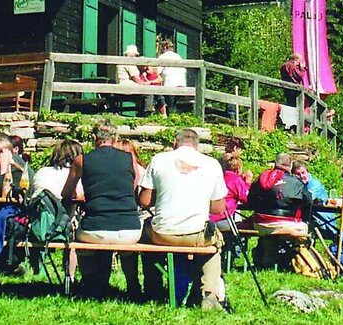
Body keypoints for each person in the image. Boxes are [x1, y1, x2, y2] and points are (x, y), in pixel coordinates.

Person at [137, 128, 227, 310]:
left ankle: (153, 288)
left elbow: (144, 200)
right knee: (216, 243)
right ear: (197, 146)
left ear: (174, 142)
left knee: (145, 234)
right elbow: (219, 208)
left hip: (162, 234)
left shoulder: (159, 159)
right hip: (196, 235)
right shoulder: (212, 164)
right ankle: (208, 294)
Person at [61, 123, 141, 298]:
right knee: (126, 245)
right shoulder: (129, 158)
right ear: (116, 139)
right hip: (130, 229)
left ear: (93, 139)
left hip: (95, 228)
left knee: (82, 239)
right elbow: (134, 185)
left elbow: (66, 194)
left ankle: (91, 282)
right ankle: (132, 283)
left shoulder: (81, 160)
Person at [247, 153, 312, 269]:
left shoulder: (262, 178)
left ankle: (267, 262)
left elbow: (251, 201)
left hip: (261, 224)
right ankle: (297, 262)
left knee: (269, 236)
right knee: (306, 228)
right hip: (287, 225)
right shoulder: (296, 182)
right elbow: (308, 202)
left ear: (275, 163)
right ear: (290, 166)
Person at [209, 153, 251, 227]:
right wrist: (247, 182)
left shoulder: (219, 177)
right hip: (223, 218)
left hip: (209, 216)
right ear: (238, 169)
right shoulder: (235, 180)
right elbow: (246, 198)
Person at [157, 39, 186, 114]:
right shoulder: (178, 56)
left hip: (170, 84)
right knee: (174, 104)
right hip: (181, 84)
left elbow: (157, 71)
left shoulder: (163, 57)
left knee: (166, 101)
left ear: (164, 47)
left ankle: (167, 117)